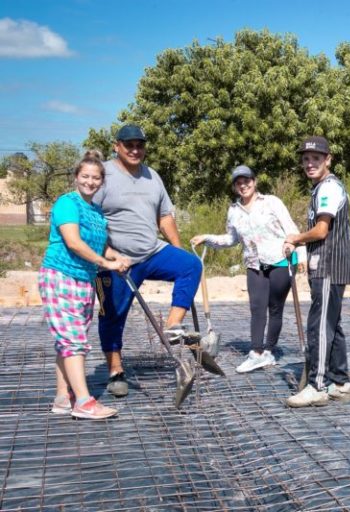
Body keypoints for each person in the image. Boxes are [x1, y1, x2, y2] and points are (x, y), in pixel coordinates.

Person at [93, 124, 202, 397]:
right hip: (117, 260)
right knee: (113, 316)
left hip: (151, 252)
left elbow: (165, 216)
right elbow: (90, 220)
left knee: (191, 265)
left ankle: (172, 326)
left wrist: (178, 249)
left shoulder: (152, 176)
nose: (134, 149)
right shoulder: (103, 176)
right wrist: (107, 255)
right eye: (128, 144)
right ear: (116, 145)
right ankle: (116, 370)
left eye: (139, 145)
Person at [39, 150, 131, 419]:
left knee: (67, 341)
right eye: (85, 176)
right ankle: (83, 401)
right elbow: (74, 242)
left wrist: (116, 256)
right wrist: (107, 263)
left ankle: (62, 398)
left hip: (84, 281)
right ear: (76, 177)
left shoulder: (96, 211)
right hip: (60, 276)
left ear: (101, 181)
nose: (90, 182)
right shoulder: (67, 203)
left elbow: (98, 243)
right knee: (73, 341)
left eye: (95, 178)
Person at [191, 165, 306, 373]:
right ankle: (256, 352)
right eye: (238, 182)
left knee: (275, 307)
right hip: (254, 264)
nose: (243, 185)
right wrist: (207, 238)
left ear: (255, 181)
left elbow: (291, 228)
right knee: (257, 307)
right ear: (235, 187)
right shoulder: (234, 211)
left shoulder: (271, 202)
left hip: (281, 259)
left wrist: (300, 251)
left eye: (247, 181)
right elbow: (231, 239)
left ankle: (269, 350)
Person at [284, 136, 350, 408]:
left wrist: (295, 238)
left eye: (316, 158)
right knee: (332, 325)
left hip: (328, 266)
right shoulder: (322, 188)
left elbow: (321, 231)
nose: (310, 163)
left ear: (328, 160)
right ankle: (340, 382)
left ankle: (317, 385)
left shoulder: (327, 189)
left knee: (320, 326)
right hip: (329, 266)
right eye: (306, 159)